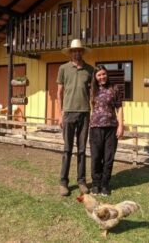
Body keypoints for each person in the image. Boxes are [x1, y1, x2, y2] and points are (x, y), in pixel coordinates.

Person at [57, 39, 94, 197]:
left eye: (79, 51)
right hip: (69, 113)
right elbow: (59, 93)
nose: (76, 53)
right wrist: (60, 113)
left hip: (85, 113)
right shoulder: (63, 68)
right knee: (67, 149)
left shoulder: (89, 69)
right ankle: (63, 182)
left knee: (81, 150)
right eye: (74, 51)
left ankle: (81, 181)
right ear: (71, 53)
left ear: (82, 52)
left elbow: (93, 93)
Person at [89, 65, 124, 196]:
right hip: (95, 128)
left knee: (108, 157)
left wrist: (121, 126)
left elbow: (119, 108)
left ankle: (105, 184)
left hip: (111, 128)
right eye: (99, 75)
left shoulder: (114, 88)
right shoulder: (92, 89)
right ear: (95, 77)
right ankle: (95, 184)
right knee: (96, 157)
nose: (102, 77)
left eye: (104, 74)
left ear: (106, 74)